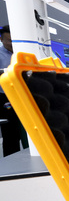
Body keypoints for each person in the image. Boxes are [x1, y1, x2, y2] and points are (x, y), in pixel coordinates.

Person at [0, 25, 28, 157]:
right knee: (11, 133)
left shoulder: (21, 54)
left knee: (28, 130)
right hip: (6, 98)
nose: (12, 43)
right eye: (8, 40)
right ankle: (12, 162)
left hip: (25, 96)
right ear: (1, 40)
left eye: (14, 40)